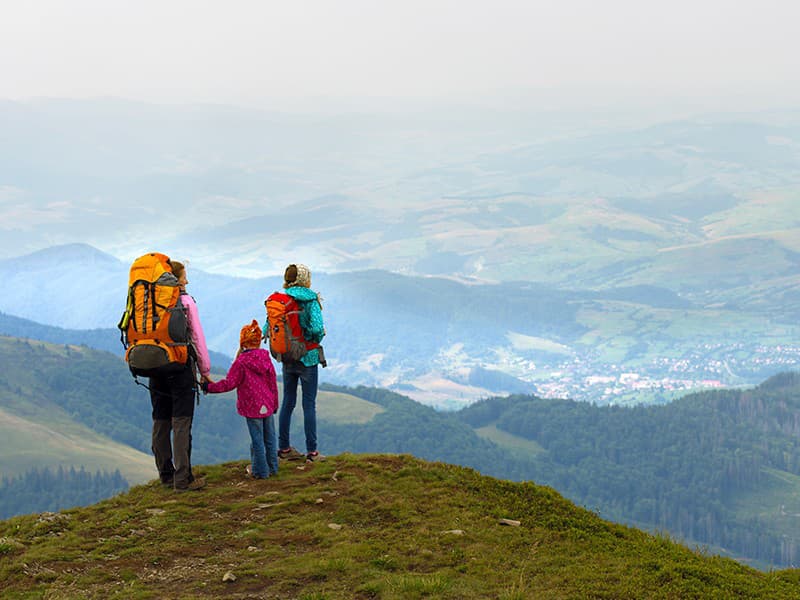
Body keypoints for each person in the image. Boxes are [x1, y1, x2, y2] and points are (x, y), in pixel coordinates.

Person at [149, 260, 211, 492]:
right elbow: (197, 338)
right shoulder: (185, 302)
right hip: (180, 368)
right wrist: (204, 371)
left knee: (161, 421)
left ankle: (165, 474)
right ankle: (183, 479)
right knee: (182, 422)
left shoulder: (151, 300)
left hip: (155, 366)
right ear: (177, 279)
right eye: (185, 277)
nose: (187, 281)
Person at [202, 320, 279, 479]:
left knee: (257, 440)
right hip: (268, 404)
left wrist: (209, 387)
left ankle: (260, 472)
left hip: (251, 406)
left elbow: (229, 384)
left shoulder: (241, 362)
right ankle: (273, 469)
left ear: (243, 342)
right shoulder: (266, 358)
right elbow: (272, 383)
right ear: (258, 341)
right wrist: (275, 403)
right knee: (270, 438)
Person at [265, 263, 325, 462]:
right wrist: (312, 338)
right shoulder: (310, 300)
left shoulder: (281, 300)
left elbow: (268, 328)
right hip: (307, 357)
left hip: (287, 357)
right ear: (305, 279)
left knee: (288, 402)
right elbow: (317, 328)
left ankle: (283, 448)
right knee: (309, 404)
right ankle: (312, 452)